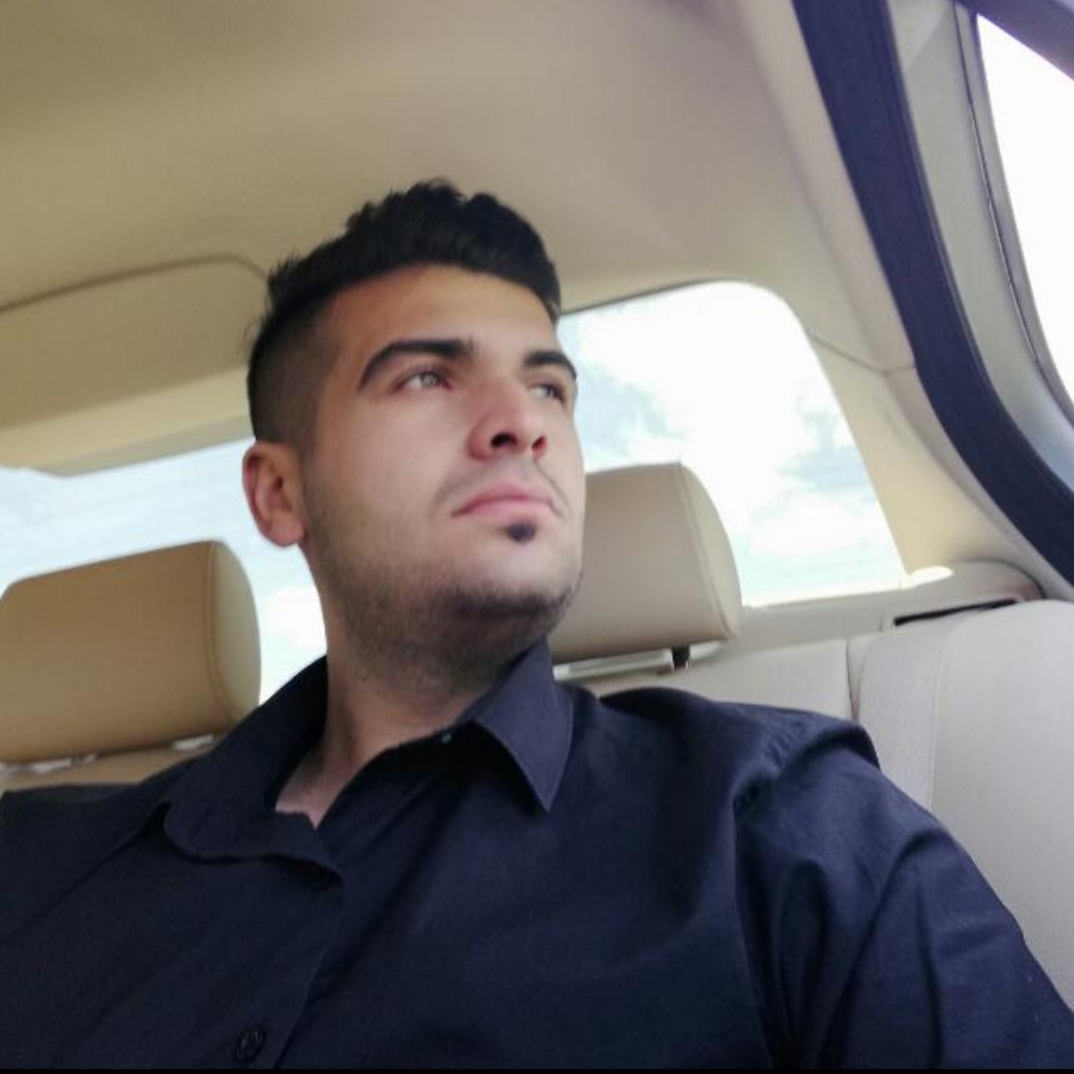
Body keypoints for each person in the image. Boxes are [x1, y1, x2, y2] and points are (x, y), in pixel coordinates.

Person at [1, 180, 1072, 1068]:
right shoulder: (33, 866)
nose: (522, 423)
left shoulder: (783, 826)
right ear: (280, 494)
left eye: (551, 389)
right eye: (426, 376)